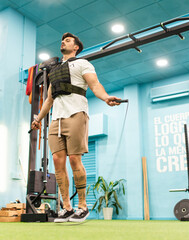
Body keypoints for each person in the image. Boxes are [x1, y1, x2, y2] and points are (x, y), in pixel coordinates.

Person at [31, 32, 122, 223]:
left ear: (76, 47)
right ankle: (66, 208)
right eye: (62, 40)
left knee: (74, 159)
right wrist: (38, 118)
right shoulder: (54, 71)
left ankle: (82, 206)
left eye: (68, 40)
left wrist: (105, 97)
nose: (63, 41)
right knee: (57, 161)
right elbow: (49, 99)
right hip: (56, 118)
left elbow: (95, 84)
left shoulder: (83, 64)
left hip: (76, 113)